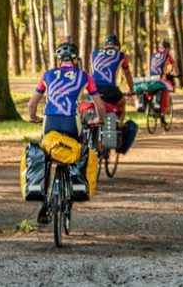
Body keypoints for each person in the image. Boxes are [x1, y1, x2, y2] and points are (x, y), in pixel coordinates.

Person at [28, 42, 106, 224]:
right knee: (81, 147)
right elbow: (100, 106)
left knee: (44, 153)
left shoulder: (47, 75)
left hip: (50, 122)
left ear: (58, 59)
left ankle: (42, 203)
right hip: (72, 122)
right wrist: (99, 120)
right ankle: (75, 185)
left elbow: (31, 105)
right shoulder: (85, 76)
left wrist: (34, 118)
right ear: (75, 59)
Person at [90, 34, 135, 121]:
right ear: (117, 46)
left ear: (105, 46)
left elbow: (92, 72)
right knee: (121, 103)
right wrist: (131, 90)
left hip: (94, 89)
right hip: (110, 89)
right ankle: (119, 127)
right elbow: (128, 75)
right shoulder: (121, 55)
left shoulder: (93, 54)